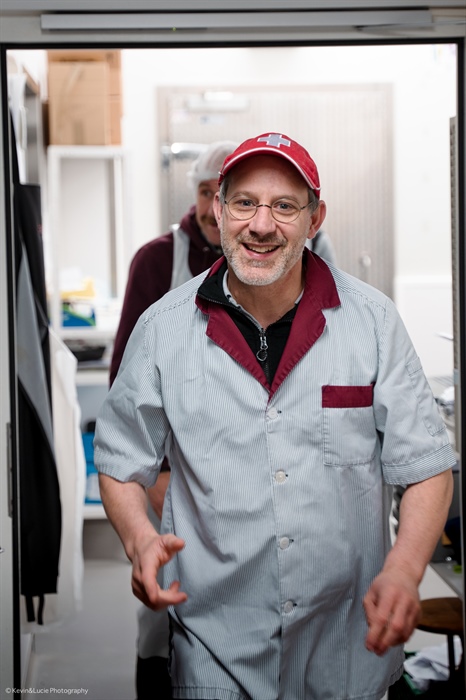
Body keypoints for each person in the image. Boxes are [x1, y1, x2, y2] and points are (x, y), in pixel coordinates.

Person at [95, 132, 455, 700]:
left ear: (315, 219)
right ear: (219, 210)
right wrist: (140, 538)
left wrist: (406, 569)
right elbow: (121, 458)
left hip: (347, 641)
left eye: (284, 206)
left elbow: (427, 466)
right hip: (215, 643)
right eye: (244, 203)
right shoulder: (163, 329)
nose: (261, 225)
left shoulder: (372, 322)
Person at [110, 140, 237, 700]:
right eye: (206, 193)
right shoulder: (158, 260)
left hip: (243, 470)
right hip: (174, 475)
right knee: (165, 601)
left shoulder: (271, 258)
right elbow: (126, 383)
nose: (213, 208)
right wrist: (155, 474)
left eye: (224, 194)